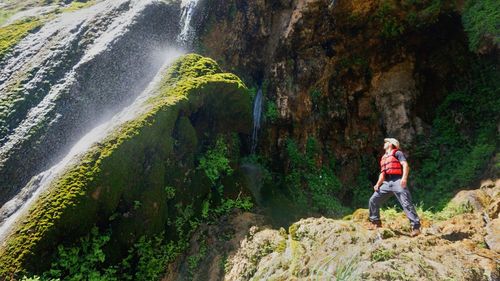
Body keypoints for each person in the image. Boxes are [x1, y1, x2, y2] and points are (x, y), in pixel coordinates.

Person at [367, 138, 421, 237]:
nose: (384, 143)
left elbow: (405, 165)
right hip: (387, 183)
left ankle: (416, 227)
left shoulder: (398, 153)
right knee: (373, 200)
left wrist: (404, 178)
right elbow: (383, 173)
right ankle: (375, 222)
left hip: (397, 180)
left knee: (406, 203)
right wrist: (378, 184)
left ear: (391, 144)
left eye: (386, 142)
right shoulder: (384, 157)